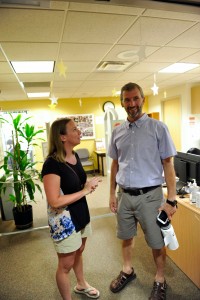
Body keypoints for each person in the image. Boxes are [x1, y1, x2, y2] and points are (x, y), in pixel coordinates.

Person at [108, 82, 177, 300]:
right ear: (122, 103)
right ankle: (127, 270)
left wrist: (172, 200)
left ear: (143, 99)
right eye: (127, 100)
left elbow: (168, 163)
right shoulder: (117, 132)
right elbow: (115, 165)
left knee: (156, 242)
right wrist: (111, 193)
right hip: (125, 196)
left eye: (135, 98)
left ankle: (159, 279)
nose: (132, 104)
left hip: (150, 196)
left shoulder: (158, 128)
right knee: (126, 237)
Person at [42, 117, 101, 300]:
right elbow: (55, 201)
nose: (79, 131)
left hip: (80, 213)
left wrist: (87, 184)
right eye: (74, 129)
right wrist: (84, 190)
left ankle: (81, 284)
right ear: (62, 137)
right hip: (65, 220)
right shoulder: (52, 164)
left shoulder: (74, 156)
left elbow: (76, 183)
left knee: (79, 251)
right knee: (65, 265)